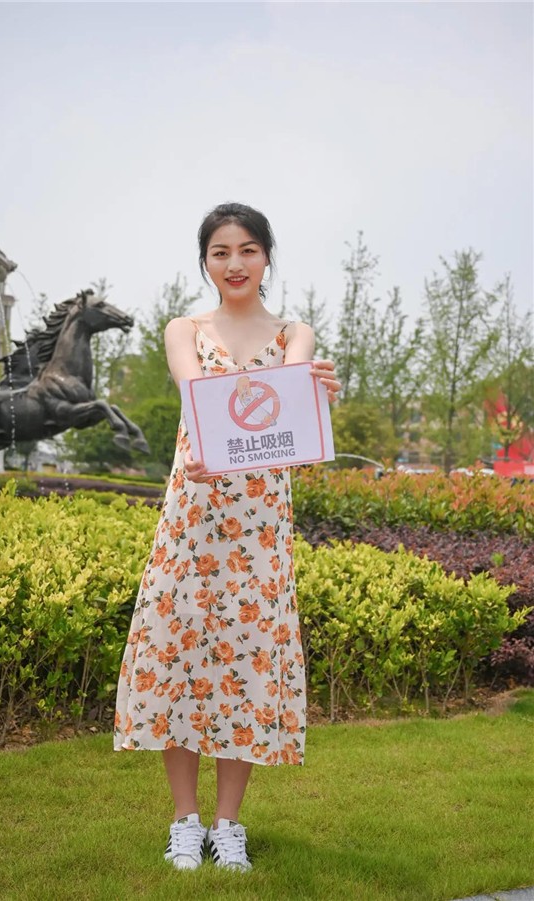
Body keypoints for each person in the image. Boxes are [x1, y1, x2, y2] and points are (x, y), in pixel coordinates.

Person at [114, 202, 340, 872]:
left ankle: (228, 824)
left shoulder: (295, 333)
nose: (235, 263)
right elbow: (197, 394)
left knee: (246, 665)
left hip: (260, 527)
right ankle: (185, 821)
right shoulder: (184, 328)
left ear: (267, 257)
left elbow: (291, 417)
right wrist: (223, 427)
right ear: (205, 261)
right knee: (178, 656)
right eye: (220, 252)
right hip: (193, 516)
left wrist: (317, 394)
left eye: (247, 250)